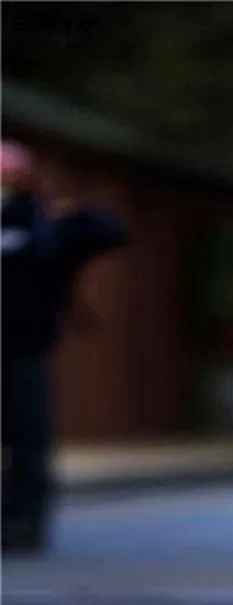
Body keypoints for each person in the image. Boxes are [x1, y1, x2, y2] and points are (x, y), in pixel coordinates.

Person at [1, 141, 126, 555]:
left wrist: (61, 216)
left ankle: (23, 526)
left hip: (25, 348)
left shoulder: (40, 221)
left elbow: (110, 231)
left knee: (27, 442)